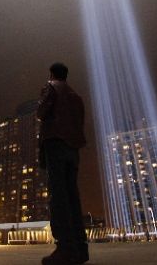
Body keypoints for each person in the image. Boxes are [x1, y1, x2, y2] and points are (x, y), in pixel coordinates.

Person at [37, 62, 88, 265]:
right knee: (72, 196)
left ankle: (65, 249)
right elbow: (79, 122)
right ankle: (80, 249)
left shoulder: (50, 86)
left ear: (52, 74)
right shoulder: (76, 96)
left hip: (55, 143)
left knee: (57, 195)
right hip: (73, 148)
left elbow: (41, 112)